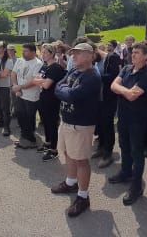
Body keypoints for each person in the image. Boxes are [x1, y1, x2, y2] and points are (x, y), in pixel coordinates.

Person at [49, 43, 103, 217]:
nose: (73, 57)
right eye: (73, 54)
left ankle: (83, 196)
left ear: (89, 56)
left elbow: (70, 95)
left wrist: (65, 91)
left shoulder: (92, 76)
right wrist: (65, 90)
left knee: (81, 160)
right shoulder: (74, 71)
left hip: (81, 125)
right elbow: (58, 87)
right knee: (68, 153)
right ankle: (71, 182)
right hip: (66, 121)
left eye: (78, 54)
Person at [104, 42, 147, 205]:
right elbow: (113, 85)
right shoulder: (126, 68)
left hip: (137, 119)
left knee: (136, 151)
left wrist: (122, 90)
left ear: (146, 56)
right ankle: (126, 172)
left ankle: (136, 186)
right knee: (124, 146)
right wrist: (126, 91)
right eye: (132, 52)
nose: (133, 55)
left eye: (137, 53)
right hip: (123, 116)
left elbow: (133, 96)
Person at [36, 43, 68, 161]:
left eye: (45, 53)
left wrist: (40, 81)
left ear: (52, 54)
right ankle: (48, 143)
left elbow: (46, 85)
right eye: (42, 52)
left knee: (52, 123)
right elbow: (36, 79)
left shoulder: (55, 68)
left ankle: (54, 150)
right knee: (45, 122)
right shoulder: (45, 66)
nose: (43, 55)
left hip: (52, 100)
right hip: (42, 98)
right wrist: (41, 81)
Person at [94, 42, 124, 167]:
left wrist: (95, 76)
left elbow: (113, 77)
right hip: (98, 98)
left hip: (108, 98)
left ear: (93, 51)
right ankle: (101, 147)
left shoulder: (112, 57)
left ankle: (108, 153)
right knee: (99, 123)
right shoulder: (95, 61)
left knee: (107, 124)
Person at [13, 43, 46, 149]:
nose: (23, 52)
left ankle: (31, 140)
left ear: (33, 52)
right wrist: (15, 86)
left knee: (29, 118)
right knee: (20, 115)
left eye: (26, 51)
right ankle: (24, 138)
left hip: (31, 96)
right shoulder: (20, 60)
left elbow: (34, 82)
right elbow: (13, 74)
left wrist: (19, 87)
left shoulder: (38, 64)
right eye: (23, 50)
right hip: (19, 93)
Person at [0, 44, 15, 136]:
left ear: (4, 49)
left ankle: (6, 127)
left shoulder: (8, 61)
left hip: (4, 87)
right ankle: (0, 121)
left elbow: (4, 75)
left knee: (5, 108)